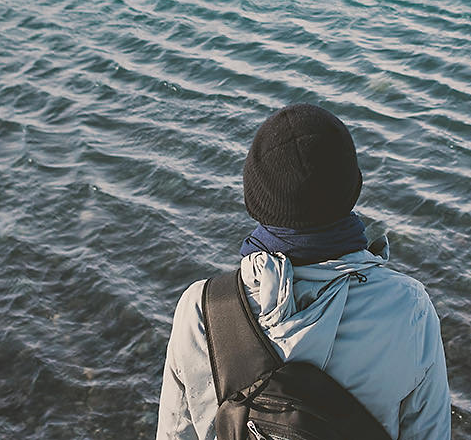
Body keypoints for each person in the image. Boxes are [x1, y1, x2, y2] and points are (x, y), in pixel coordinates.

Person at [156, 103, 452, 440]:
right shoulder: (408, 308)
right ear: (352, 189)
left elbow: (175, 433)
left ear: (254, 197)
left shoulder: (202, 309)